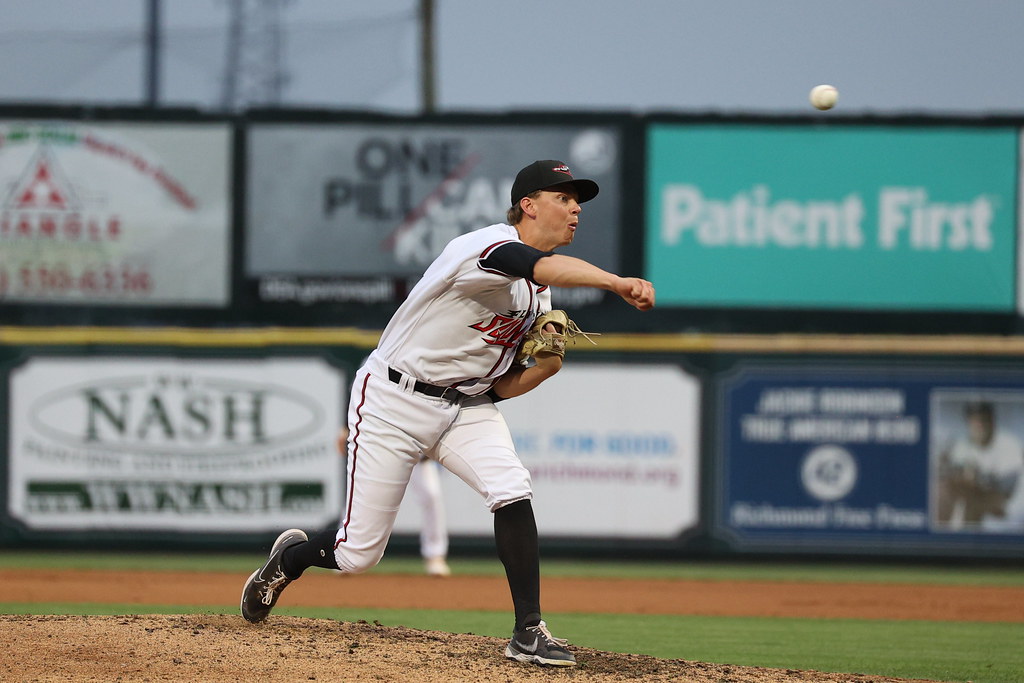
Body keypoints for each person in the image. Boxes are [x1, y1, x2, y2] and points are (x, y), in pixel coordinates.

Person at [240, 159, 656, 667]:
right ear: (528, 205)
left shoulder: (537, 297)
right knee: (357, 554)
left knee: (511, 487)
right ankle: (289, 559)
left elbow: (499, 386)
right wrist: (616, 282)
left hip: (464, 404)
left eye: (578, 202)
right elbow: (539, 266)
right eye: (563, 199)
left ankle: (528, 631)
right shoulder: (484, 246)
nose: (576, 210)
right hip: (394, 400)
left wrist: (544, 370)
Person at [337, 427, 451, 577]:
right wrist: (346, 427)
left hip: (418, 446)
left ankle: (435, 556)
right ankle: (345, 553)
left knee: (432, 495)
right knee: (363, 495)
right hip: (385, 446)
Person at [936, 400, 1024, 532]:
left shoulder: (1009, 443)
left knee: (971, 502)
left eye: (983, 420)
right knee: (942, 490)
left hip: (1006, 503)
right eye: (974, 421)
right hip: (973, 495)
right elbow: (950, 473)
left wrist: (978, 477)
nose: (979, 425)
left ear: (992, 421)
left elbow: (1008, 487)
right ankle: (939, 535)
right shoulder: (962, 445)